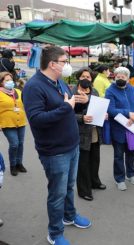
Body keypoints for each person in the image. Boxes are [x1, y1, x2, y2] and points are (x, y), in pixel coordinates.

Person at [22, 46, 91, 245]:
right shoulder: (34, 87)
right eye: (63, 61)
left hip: (72, 144)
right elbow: (37, 119)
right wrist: (65, 106)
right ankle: (54, 232)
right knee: (57, 193)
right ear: (52, 64)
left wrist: (78, 101)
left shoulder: (59, 81)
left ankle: (69, 215)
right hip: (54, 151)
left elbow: (67, 105)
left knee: (69, 186)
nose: (66, 65)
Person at [105, 67, 134, 191]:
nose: (120, 78)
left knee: (131, 153)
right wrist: (128, 113)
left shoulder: (133, 89)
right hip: (118, 128)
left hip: (131, 127)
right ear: (114, 77)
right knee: (118, 155)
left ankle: (131, 174)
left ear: (128, 79)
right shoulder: (110, 91)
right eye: (118, 76)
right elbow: (110, 109)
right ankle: (119, 179)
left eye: (123, 77)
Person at [72, 77, 107, 202]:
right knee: (83, 163)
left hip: (94, 131)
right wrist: (82, 118)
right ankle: (84, 190)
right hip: (81, 133)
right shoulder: (73, 93)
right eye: (83, 76)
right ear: (78, 78)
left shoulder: (94, 92)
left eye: (88, 77)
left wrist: (104, 114)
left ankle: (95, 182)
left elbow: (99, 109)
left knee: (94, 159)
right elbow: (67, 113)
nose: (85, 79)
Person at [0, 71, 27, 176]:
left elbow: (24, 103)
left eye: (10, 79)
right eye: (7, 80)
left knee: (20, 144)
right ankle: (13, 165)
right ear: (1, 82)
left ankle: (19, 163)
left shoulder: (17, 91)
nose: (10, 82)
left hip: (21, 121)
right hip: (7, 123)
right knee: (14, 144)